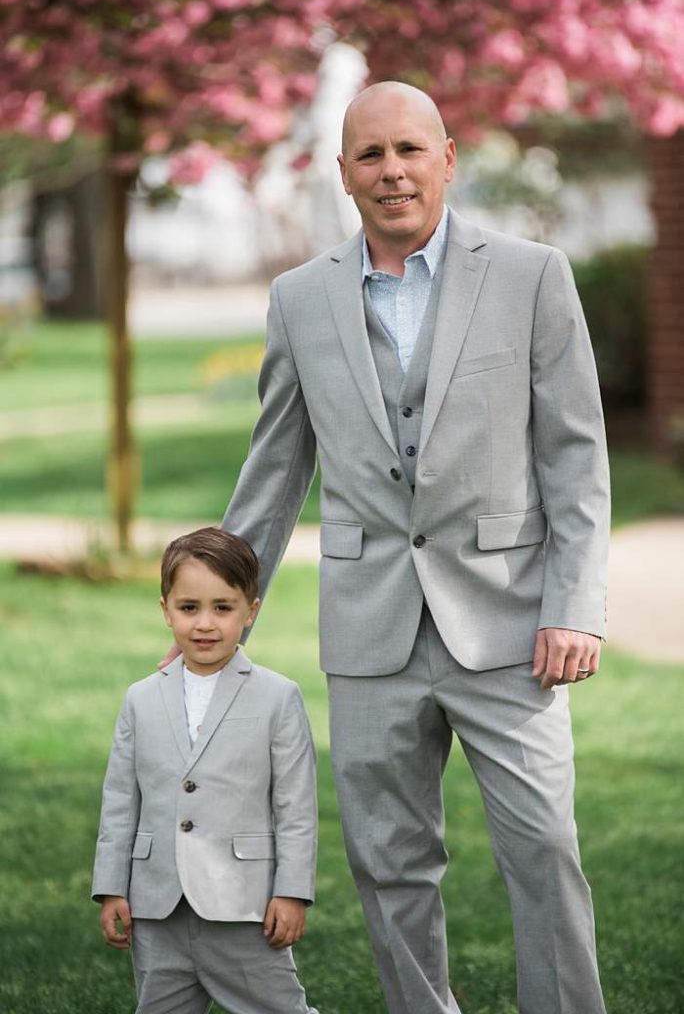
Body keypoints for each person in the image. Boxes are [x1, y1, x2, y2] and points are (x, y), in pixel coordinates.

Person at [222, 81, 610, 1014]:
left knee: (544, 846)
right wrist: (219, 603)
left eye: (408, 150)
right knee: (388, 862)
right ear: (345, 174)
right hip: (370, 627)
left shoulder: (531, 275)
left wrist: (573, 607)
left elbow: (576, 455)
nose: (391, 171)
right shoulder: (301, 299)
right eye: (370, 155)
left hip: (511, 624)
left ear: (446, 159)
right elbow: (275, 469)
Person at [92, 527, 319, 1014]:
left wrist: (293, 892)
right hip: (157, 906)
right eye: (189, 608)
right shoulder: (140, 699)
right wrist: (111, 887)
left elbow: (296, 806)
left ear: (250, 611)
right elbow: (119, 802)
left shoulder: (278, 697)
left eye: (223, 607)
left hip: (245, 907)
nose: (205, 624)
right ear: (166, 610)